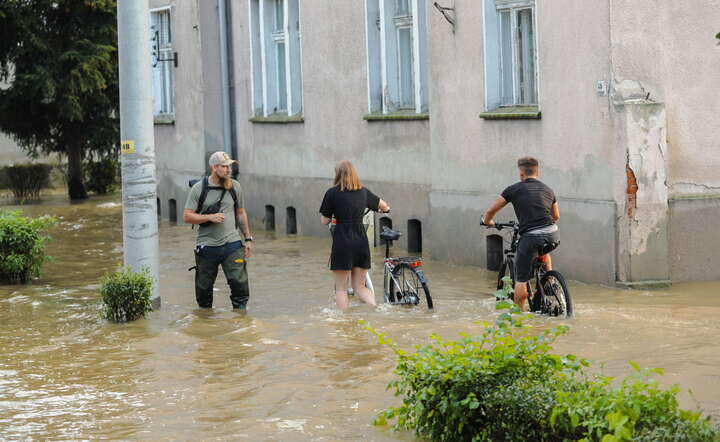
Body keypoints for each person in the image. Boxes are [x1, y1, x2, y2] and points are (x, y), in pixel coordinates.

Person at [482, 157, 560, 311]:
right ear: (537, 172)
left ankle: (520, 319)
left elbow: (491, 211)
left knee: (521, 279)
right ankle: (550, 281)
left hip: (530, 236)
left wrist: (488, 222)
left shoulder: (513, 189)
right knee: (544, 249)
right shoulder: (548, 189)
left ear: (521, 173)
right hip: (553, 234)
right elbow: (556, 216)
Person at [183, 151, 254, 309]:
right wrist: (209, 217)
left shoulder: (235, 187)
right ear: (214, 168)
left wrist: (248, 239)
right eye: (225, 166)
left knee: (240, 286)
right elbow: (187, 216)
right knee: (203, 292)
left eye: (230, 166)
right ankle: (206, 324)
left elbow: (241, 213)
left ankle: (241, 321)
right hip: (207, 245)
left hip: (232, 244)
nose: (229, 170)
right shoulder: (199, 188)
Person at [319, 160, 390, 309]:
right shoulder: (363, 192)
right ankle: (375, 309)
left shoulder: (332, 193)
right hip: (361, 241)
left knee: (341, 289)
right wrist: (386, 209)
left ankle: (345, 324)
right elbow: (383, 205)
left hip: (342, 242)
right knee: (360, 287)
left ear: (337, 175)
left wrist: (332, 217)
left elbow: (325, 220)